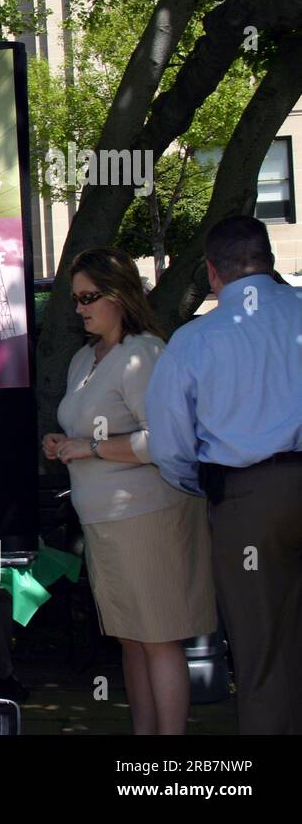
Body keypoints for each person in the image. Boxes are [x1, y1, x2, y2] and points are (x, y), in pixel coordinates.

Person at [43, 248, 215, 735]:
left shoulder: (144, 353)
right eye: (76, 299)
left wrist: (92, 447)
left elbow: (164, 440)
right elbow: (86, 432)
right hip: (104, 521)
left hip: (148, 516)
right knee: (131, 639)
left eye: (89, 297)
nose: (79, 308)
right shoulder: (85, 357)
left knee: (158, 638)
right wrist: (63, 443)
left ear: (119, 295)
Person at [146, 216, 302, 734]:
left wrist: (211, 486)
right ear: (270, 260)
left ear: (212, 272)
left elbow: (170, 445)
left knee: (262, 649)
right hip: (255, 489)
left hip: (247, 500)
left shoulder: (195, 340)